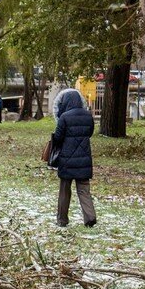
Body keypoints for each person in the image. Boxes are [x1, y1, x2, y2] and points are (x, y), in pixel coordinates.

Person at [52, 89, 97, 227]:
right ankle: (90, 217)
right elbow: (89, 133)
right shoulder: (88, 116)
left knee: (64, 190)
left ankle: (62, 219)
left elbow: (58, 137)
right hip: (84, 159)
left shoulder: (64, 117)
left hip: (66, 160)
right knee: (84, 190)